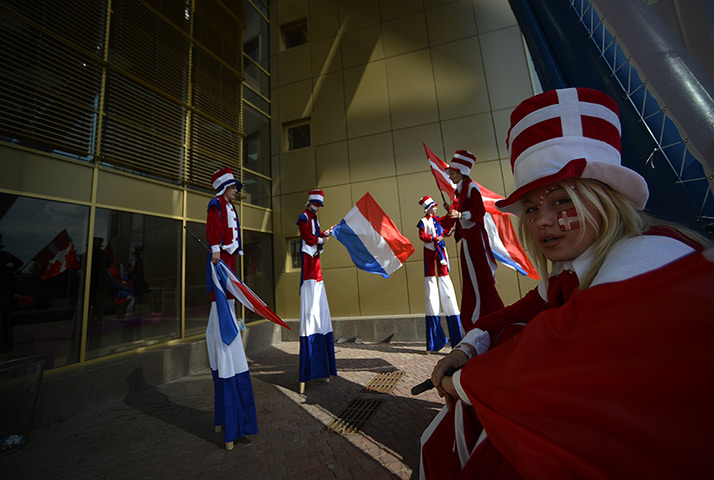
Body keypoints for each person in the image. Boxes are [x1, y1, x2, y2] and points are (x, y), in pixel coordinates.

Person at [420, 87, 713, 479]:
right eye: (530, 207)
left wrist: (462, 382)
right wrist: (469, 344)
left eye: (560, 201)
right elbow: (522, 309)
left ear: (606, 199)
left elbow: (549, 362)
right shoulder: (575, 268)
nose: (541, 220)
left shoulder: (646, 260)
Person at [205, 167, 258, 450]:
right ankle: (232, 421)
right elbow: (214, 230)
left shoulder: (229, 205)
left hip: (228, 268)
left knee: (230, 311)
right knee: (224, 324)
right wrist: (215, 248)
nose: (237, 190)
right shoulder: (216, 204)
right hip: (221, 268)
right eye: (234, 186)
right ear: (224, 186)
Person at [438, 150, 504, 332]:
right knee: (470, 280)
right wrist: (451, 210)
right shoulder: (460, 189)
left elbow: (479, 211)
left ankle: (487, 317)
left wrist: (460, 213)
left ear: (462, 172)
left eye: (452, 172)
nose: (450, 175)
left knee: (480, 279)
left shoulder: (471, 187)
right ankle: (476, 320)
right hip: (467, 239)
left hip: (475, 238)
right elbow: (460, 211)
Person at [297, 189, 336, 394]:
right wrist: (321, 239)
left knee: (321, 316)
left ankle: (323, 367)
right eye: (316, 205)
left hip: (317, 273)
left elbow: (316, 237)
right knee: (310, 316)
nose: (318, 208)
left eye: (319, 206)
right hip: (310, 274)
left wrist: (325, 234)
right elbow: (308, 237)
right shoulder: (304, 217)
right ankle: (310, 368)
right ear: (310, 202)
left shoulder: (313, 218)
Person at [417, 195, 462, 353]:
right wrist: (435, 237)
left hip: (440, 253)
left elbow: (447, 222)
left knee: (448, 292)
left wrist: (450, 209)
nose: (435, 208)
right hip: (430, 252)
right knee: (431, 293)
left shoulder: (437, 219)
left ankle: (457, 337)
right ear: (428, 208)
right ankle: (434, 341)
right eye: (433, 207)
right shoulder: (424, 222)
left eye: (435, 207)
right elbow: (423, 236)